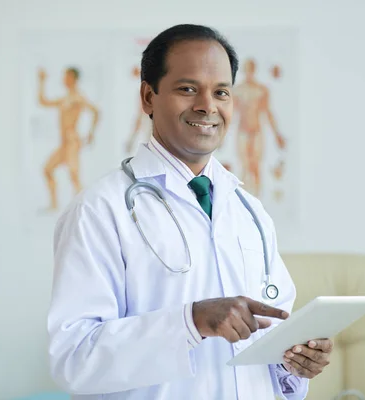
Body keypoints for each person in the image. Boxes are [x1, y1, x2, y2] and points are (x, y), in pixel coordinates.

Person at [47, 24, 333, 400]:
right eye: (188, 89)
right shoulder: (100, 209)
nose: (207, 106)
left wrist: (294, 361)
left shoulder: (249, 211)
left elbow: (269, 334)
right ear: (148, 97)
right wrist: (191, 320)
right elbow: (74, 360)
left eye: (221, 92)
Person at [38, 67, 100, 211]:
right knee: (47, 169)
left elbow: (96, 111)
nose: (64, 79)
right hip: (64, 143)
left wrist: (91, 133)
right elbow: (43, 101)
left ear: (73, 78)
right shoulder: (64, 99)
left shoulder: (78, 97)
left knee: (74, 176)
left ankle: (85, 209)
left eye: (66, 76)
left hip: (72, 142)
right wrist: (41, 81)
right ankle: (53, 205)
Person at [234, 58, 286, 197]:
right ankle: (242, 203)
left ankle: (256, 201)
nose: (249, 72)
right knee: (245, 166)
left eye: (251, 69)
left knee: (256, 166)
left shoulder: (261, 90)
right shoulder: (237, 91)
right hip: (242, 132)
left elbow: (268, 113)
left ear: (254, 70)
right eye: (247, 69)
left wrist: (277, 135)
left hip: (256, 132)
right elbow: (231, 115)